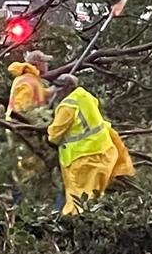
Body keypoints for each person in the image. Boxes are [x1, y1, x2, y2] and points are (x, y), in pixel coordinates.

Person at [47, 74, 134, 215]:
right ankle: (95, 224)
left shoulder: (67, 106)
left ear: (67, 89)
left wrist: (48, 129)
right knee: (94, 198)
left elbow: (54, 135)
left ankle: (75, 228)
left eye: (58, 88)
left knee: (79, 200)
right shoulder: (85, 96)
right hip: (104, 152)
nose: (56, 91)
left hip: (83, 159)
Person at [5, 50, 53, 204]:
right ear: (38, 63)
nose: (47, 64)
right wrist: (30, 122)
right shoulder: (28, 81)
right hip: (22, 129)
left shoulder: (32, 80)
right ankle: (22, 202)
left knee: (32, 166)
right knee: (24, 166)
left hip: (27, 129)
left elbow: (38, 95)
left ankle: (29, 201)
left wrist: (52, 92)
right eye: (45, 61)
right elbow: (22, 106)